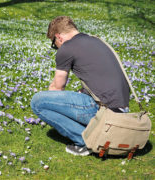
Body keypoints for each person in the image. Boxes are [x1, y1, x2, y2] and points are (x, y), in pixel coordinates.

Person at [30, 16, 130, 156]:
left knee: (38, 102)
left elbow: (57, 89)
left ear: (59, 37)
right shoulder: (97, 40)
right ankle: (99, 132)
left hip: (105, 114)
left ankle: (85, 142)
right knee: (79, 95)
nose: (56, 47)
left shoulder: (66, 48)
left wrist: (54, 106)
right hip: (123, 111)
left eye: (54, 44)